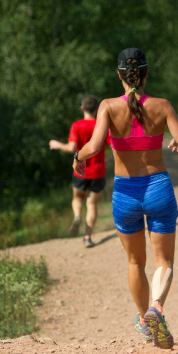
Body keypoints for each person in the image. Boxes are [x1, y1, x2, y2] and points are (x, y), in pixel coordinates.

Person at [73, 48, 178, 349]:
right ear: (147, 73)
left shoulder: (108, 107)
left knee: (134, 262)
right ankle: (156, 308)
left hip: (125, 192)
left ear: (119, 75)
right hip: (158, 188)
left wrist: (77, 157)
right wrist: (177, 144)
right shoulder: (162, 106)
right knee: (163, 260)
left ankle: (145, 322)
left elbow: (94, 145)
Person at [49, 95, 110, 248]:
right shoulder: (101, 125)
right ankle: (87, 237)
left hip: (80, 171)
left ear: (82, 108)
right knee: (92, 204)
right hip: (98, 171)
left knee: (77, 198)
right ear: (97, 110)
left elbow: (71, 148)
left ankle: (77, 216)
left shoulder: (77, 126)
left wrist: (57, 144)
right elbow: (113, 143)